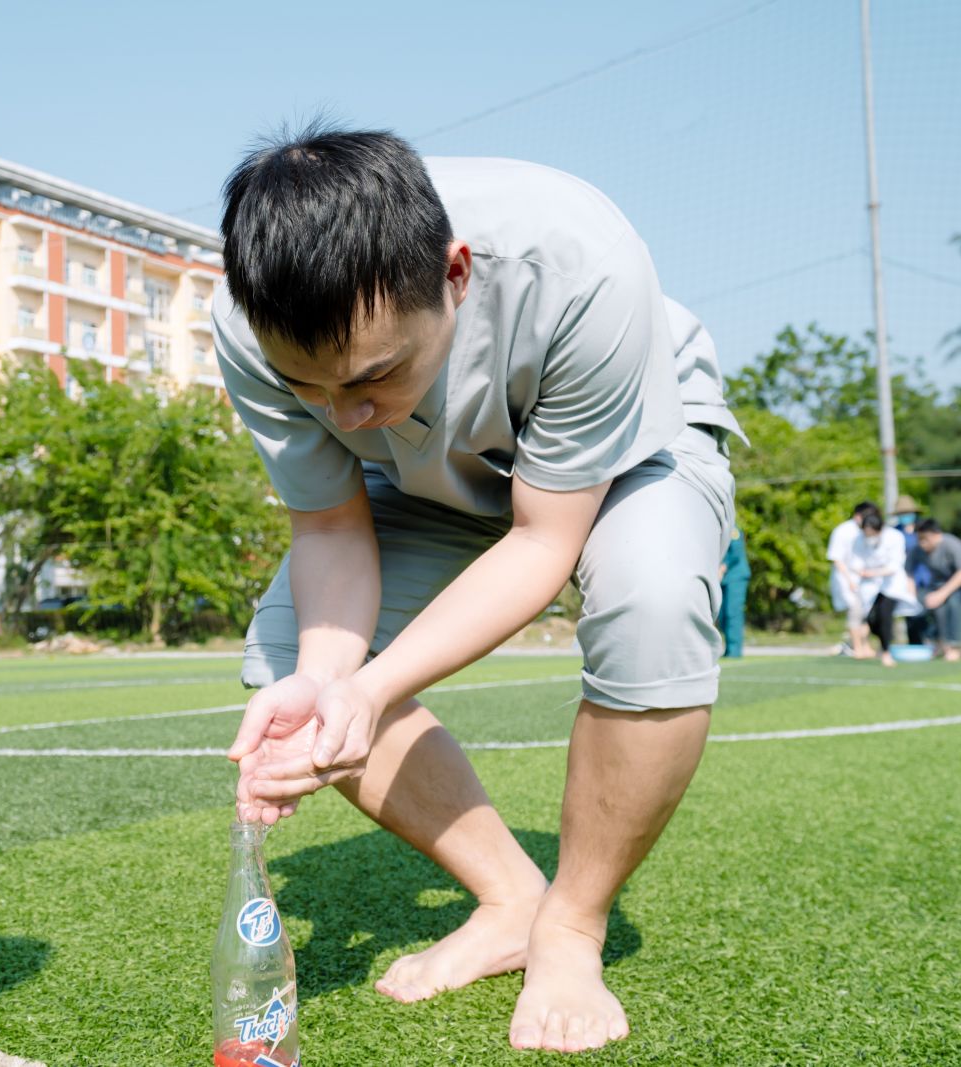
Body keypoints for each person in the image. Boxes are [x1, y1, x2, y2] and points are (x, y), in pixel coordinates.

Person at [216, 126, 743, 1054]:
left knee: (653, 604)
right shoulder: (248, 321)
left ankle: (569, 925)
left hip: (624, 446)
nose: (345, 416)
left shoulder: (582, 263)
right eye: (310, 388)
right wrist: (330, 679)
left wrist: (370, 689)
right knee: (292, 661)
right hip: (428, 473)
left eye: (374, 375)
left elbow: (544, 540)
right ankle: (511, 901)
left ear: (454, 273)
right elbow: (331, 525)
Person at [848, 510, 921, 667]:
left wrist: (874, 572)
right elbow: (856, 560)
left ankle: (886, 651)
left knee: (884, 615)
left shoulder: (894, 537)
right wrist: (859, 572)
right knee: (871, 619)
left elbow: (895, 565)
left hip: (891, 583)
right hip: (869, 584)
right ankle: (884, 643)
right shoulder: (859, 540)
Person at [910, 519, 961, 661]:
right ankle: (937, 642)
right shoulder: (918, 549)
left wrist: (942, 594)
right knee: (922, 605)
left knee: (952, 603)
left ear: (935, 535)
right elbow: (908, 573)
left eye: (924, 539)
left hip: (960, 584)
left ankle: (954, 645)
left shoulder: (952, 544)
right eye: (919, 539)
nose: (921, 543)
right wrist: (912, 597)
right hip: (936, 586)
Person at [828, 502, 878, 658]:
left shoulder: (866, 530)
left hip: (864, 579)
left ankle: (863, 645)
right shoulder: (843, 531)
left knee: (866, 614)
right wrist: (849, 580)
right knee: (855, 613)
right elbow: (836, 558)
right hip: (847, 579)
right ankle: (857, 647)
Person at [893, 494, 932, 646]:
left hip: (925, 576)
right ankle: (915, 645)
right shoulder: (895, 532)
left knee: (926, 612)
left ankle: (930, 642)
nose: (906, 516)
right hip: (904, 578)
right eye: (902, 513)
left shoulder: (924, 529)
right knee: (910, 614)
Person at [718, 528, 750, 657]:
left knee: (732, 613)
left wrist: (723, 567)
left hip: (736, 577)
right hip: (724, 579)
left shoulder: (732, 529)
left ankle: (734, 651)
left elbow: (736, 552)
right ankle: (728, 649)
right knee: (722, 615)